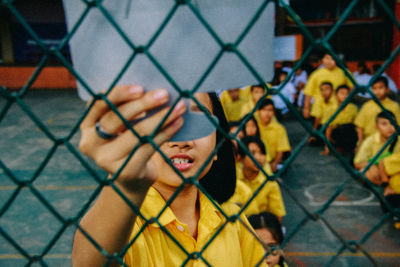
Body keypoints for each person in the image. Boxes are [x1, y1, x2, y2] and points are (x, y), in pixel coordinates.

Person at [72, 85, 267, 266]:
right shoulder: (124, 225)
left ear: (217, 146)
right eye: (164, 122)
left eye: (198, 122)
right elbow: (91, 261)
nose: (182, 142)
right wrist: (124, 186)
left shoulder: (233, 219)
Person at [236, 136, 286, 220]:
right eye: (252, 153)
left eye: (262, 153)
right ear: (240, 158)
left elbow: (277, 215)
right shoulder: (234, 179)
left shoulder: (270, 183)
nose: (259, 158)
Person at [354, 111, 400, 186]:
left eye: (392, 123)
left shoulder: (399, 140)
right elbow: (357, 162)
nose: (389, 127)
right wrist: (371, 166)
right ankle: (384, 184)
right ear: (377, 127)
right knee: (364, 173)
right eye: (384, 124)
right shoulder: (370, 141)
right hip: (376, 171)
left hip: (392, 171)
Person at [303, 52, 353, 119]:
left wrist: (344, 99)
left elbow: (351, 88)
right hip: (320, 110)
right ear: (322, 60)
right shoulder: (316, 74)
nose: (329, 61)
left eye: (332, 59)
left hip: (338, 108)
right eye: (326, 58)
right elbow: (308, 93)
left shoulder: (344, 72)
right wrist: (306, 108)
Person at [354, 76, 400, 145]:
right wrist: (360, 142)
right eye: (374, 88)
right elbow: (360, 127)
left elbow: (398, 125)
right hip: (370, 142)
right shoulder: (367, 106)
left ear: (387, 89)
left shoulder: (394, 106)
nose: (377, 91)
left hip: (390, 142)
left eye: (380, 88)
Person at [320, 85, 358, 156]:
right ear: (336, 95)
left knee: (350, 127)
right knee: (341, 128)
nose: (345, 96)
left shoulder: (353, 108)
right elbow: (328, 129)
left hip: (348, 132)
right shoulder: (330, 109)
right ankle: (338, 147)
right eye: (342, 93)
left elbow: (355, 125)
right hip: (335, 133)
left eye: (347, 94)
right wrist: (326, 148)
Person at [257, 99, 291, 172]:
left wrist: (275, 163)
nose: (267, 113)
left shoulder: (279, 128)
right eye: (264, 110)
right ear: (258, 111)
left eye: (270, 110)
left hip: (274, 161)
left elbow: (281, 149)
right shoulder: (255, 126)